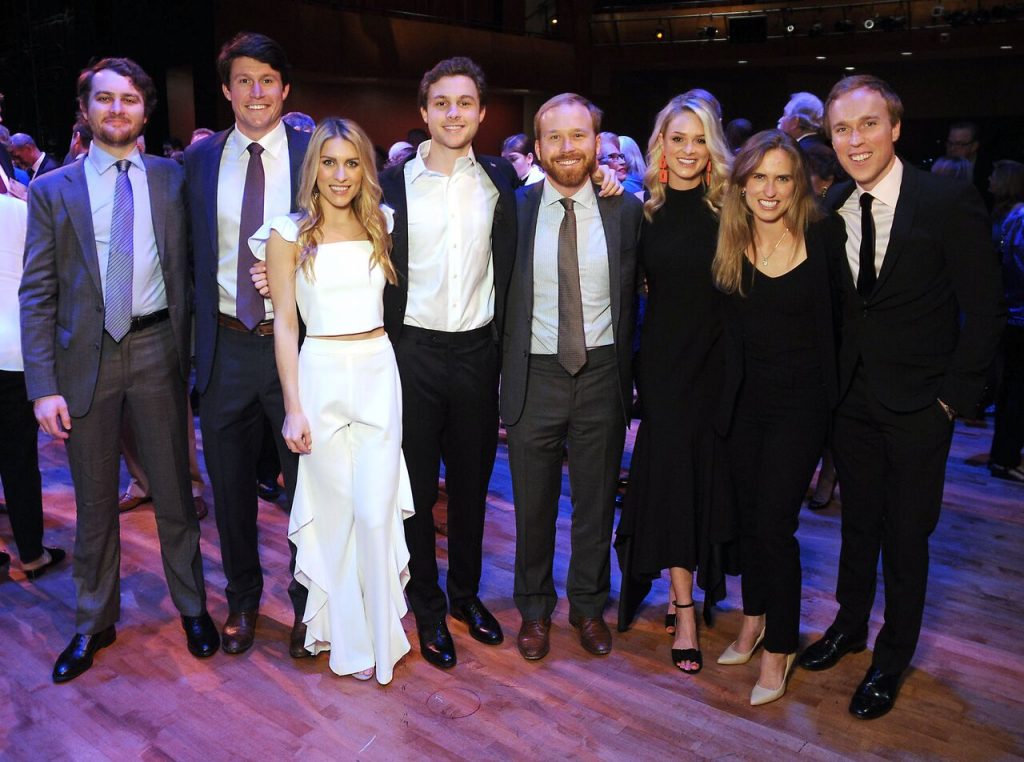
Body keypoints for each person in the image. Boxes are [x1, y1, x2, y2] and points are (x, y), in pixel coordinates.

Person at [799, 74, 1005, 719]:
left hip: (922, 404)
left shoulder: (944, 201)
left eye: (867, 125)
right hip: (852, 400)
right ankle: (849, 625)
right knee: (858, 523)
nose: (855, 140)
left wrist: (954, 400)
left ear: (895, 127)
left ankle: (892, 656)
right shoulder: (831, 208)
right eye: (841, 129)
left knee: (907, 534)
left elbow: (986, 309)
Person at [20, 57, 219, 683]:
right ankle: (93, 621)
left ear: (145, 109)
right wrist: (42, 385)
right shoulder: (53, 190)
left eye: (129, 99)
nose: (116, 110)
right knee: (95, 502)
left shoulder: (172, 178)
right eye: (104, 99)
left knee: (175, 496)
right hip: (86, 361)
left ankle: (191, 607)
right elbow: (37, 292)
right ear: (84, 111)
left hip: (159, 350)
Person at [256, 117, 414, 684]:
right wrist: (293, 407)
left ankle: (381, 633)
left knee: (375, 512)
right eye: (329, 162)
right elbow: (283, 328)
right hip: (319, 372)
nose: (340, 175)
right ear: (313, 169)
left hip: (377, 369)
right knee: (337, 516)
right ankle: (345, 639)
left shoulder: (383, 224)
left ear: (365, 169)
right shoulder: (286, 234)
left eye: (351, 163)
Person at [378, 57, 517, 670]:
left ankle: (465, 596)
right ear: (424, 112)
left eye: (465, 102)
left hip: (477, 353)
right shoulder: (389, 184)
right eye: (442, 102)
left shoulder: (502, 180)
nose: (454, 113)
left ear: (482, 113)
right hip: (412, 353)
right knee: (413, 489)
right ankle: (427, 605)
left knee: (470, 487)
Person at [502, 93, 642, 661]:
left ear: (597, 144)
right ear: (537, 148)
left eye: (578, 136)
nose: (567, 148)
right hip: (535, 373)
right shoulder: (512, 209)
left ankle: (587, 606)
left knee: (595, 500)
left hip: (602, 370)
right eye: (554, 137)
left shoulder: (626, 211)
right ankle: (534, 611)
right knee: (532, 505)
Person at [183, 32, 311, 657]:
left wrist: (301, 265)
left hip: (301, 348)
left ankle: (311, 607)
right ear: (228, 91)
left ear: (285, 88)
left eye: (268, 79)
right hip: (226, 348)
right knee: (231, 489)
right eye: (243, 81)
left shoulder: (320, 153)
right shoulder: (198, 163)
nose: (256, 92)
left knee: (307, 490)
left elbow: (359, 230)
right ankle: (241, 600)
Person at [712, 130, 841, 705]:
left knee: (774, 525)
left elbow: (849, 325)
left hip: (801, 408)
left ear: (800, 185)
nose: (769, 189)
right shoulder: (728, 239)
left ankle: (780, 645)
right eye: (758, 176)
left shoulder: (825, 235)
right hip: (743, 407)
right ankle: (753, 617)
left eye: (782, 178)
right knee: (747, 521)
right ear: (741, 182)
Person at [614, 90, 733, 676]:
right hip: (663, 367)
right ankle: (683, 608)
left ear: (712, 147)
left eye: (698, 139)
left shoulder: (732, 207)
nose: (688, 150)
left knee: (709, 480)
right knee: (672, 483)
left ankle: (697, 592)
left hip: (720, 365)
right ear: (660, 144)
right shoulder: (644, 209)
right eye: (677, 138)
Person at [1, 191, 66, 579]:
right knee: (19, 458)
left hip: (12, 350)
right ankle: (31, 553)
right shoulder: (21, 209)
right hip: (14, 349)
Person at [988, 160, 1024, 483]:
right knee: (1016, 393)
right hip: (1018, 316)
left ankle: (1004, 455)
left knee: (1011, 390)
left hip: (1010, 314)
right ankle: (1006, 457)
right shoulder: (1019, 217)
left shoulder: (1008, 215)